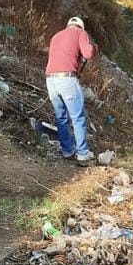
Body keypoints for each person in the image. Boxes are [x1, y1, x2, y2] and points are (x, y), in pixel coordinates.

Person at [46, 16, 97, 164]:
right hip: (66, 79)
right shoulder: (80, 33)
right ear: (80, 26)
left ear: (68, 25)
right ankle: (82, 155)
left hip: (51, 80)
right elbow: (88, 54)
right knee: (78, 118)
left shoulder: (56, 36)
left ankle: (67, 151)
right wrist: (93, 48)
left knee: (61, 118)